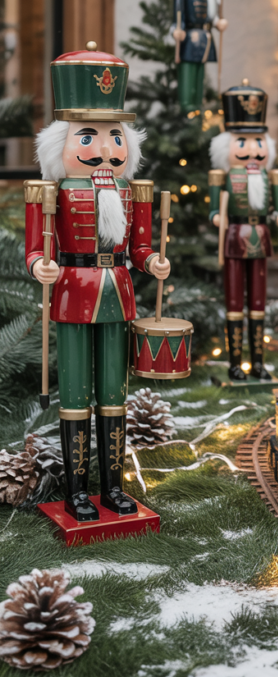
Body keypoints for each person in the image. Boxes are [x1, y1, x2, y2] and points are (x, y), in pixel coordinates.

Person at [25, 42, 170, 521]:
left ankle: (113, 487)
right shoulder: (51, 192)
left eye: (114, 138)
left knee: (113, 391)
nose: (105, 150)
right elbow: (36, 248)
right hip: (71, 293)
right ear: (60, 145)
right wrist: (39, 266)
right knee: (73, 395)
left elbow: (141, 246)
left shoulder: (132, 191)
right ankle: (75, 491)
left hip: (119, 294)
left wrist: (151, 264)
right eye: (87, 138)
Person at [208, 82, 278, 381]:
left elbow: (276, 208)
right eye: (242, 142)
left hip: (260, 238)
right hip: (233, 239)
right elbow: (215, 209)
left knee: (257, 302)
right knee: (233, 302)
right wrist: (218, 217)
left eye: (258, 142)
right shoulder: (222, 176)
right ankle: (234, 363)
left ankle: (257, 362)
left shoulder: (271, 176)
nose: (252, 150)